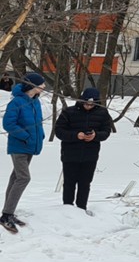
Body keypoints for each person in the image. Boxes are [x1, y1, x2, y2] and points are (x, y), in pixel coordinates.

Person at [53, 84, 113, 211]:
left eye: (92, 104)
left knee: (85, 184)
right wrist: (76, 135)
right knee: (69, 183)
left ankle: (81, 208)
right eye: (86, 103)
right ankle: (67, 208)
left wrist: (95, 136)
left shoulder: (102, 113)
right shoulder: (69, 112)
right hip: (70, 154)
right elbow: (59, 131)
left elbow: (106, 132)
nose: (89, 106)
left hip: (90, 155)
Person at [2, 71, 46, 232]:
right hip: (19, 145)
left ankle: (8, 211)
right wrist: (25, 136)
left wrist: (39, 136)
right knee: (23, 178)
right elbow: (8, 124)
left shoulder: (35, 102)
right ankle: (6, 214)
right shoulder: (17, 102)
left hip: (30, 145)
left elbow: (37, 123)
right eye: (41, 84)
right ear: (32, 85)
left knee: (16, 177)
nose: (44, 86)